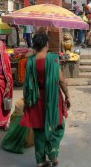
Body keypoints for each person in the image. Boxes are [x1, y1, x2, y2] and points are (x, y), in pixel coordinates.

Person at [19, 32, 71, 167]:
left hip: (36, 99)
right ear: (47, 44)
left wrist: (26, 100)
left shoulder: (30, 61)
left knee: (39, 131)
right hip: (53, 98)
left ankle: (41, 161)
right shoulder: (53, 59)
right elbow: (61, 81)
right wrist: (67, 95)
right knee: (57, 126)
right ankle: (53, 156)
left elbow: (27, 84)